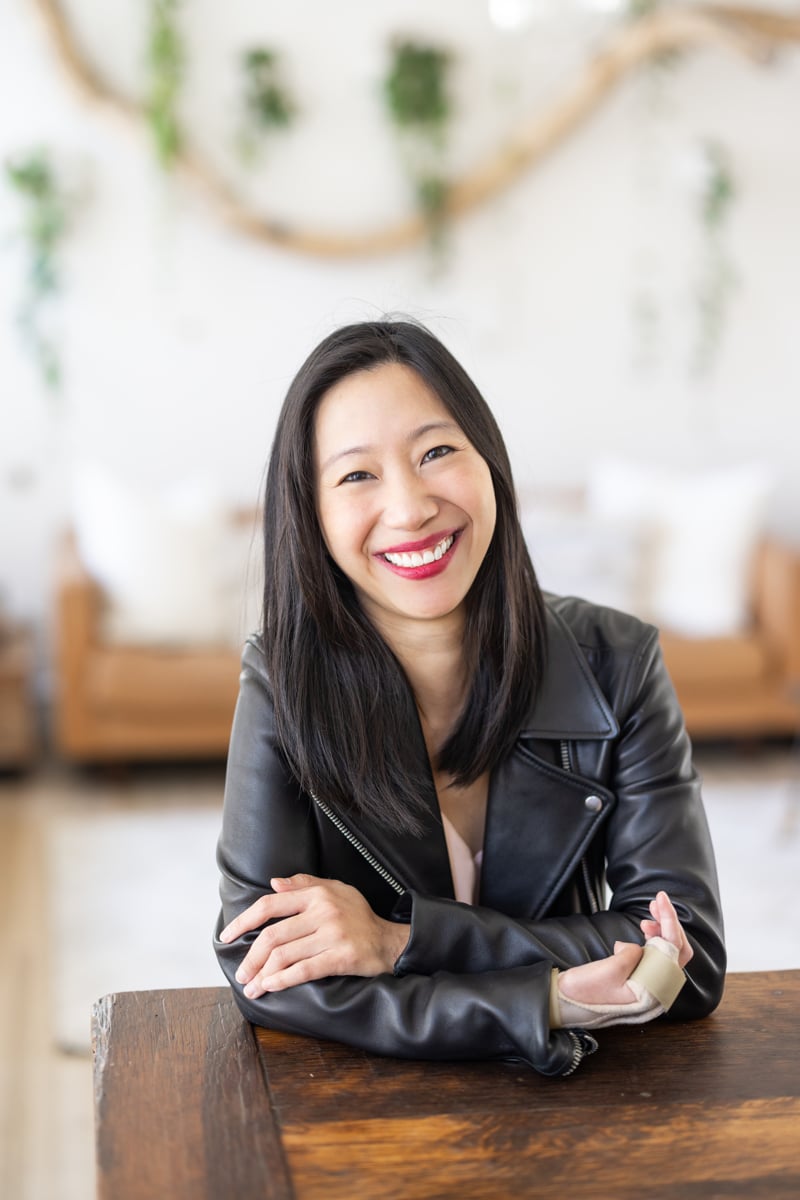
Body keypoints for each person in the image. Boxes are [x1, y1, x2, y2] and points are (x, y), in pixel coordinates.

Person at [214, 318, 725, 1077]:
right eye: (357, 476)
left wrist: (400, 942)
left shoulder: (617, 662)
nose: (410, 507)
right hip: (372, 1114)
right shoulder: (282, 683)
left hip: (596, 1105)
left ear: (490, 462)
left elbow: (688, 953)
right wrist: (544, 1001)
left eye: (436, 452)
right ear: (310, 513)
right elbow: (263, 968)